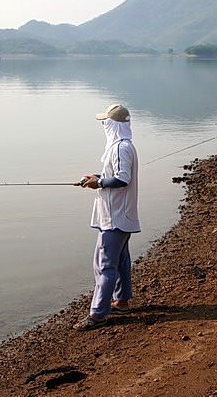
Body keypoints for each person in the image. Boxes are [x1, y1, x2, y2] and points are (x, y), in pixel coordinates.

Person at [73, 104, 140, 331]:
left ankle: (98, 314)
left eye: (105, 122)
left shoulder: (121, 148)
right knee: (121, 261)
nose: (103, 126)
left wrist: (99, 182)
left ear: (113, 125)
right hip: (120, 214)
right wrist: (97, 176)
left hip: (115, 216)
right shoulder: (122, 146)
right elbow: (115, 175)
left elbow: (122, 179)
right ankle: (121, 301)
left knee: (104, 264)